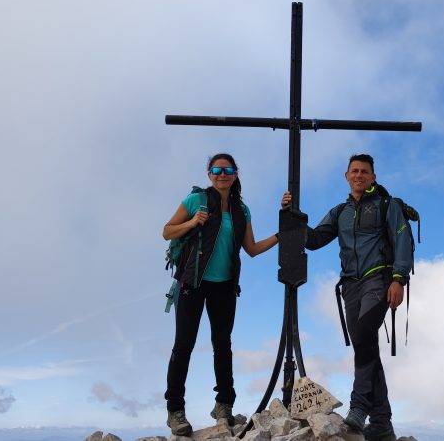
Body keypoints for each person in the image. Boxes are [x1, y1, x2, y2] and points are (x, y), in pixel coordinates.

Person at [281, 153, 413, 441]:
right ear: (346, 176)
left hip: (378, 278)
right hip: (350, 286)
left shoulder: (386, 206)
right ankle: (382, 424)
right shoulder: (340, 212)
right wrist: (292, 216)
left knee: (365, 333)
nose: (359, 175)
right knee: (365, 347)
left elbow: (403, 239)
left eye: (365, 171)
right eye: (354, 171)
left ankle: (359, 405)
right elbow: (314, 240)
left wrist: (399, 279)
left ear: (373, 177)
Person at [162, 153, 279, 436]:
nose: (222, 174)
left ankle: (224, 404)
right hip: (192, 282)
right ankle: (175, 411)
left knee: (222, 344)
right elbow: (167, 232)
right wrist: (192, 222)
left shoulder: (242, 210)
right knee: (184, 345)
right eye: (216, 169)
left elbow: (250, 249)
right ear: (209, 173)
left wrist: (281, 235)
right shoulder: (196, 201)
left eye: (227, 170)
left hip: (225, 285)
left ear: (236, 174)